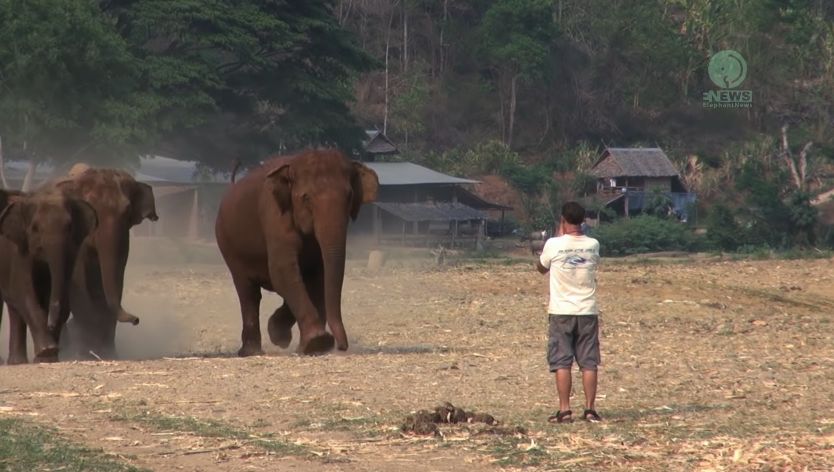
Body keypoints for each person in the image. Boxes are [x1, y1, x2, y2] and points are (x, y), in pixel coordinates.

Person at [536, 201, 602, 424]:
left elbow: (541, 268)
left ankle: (565, 410)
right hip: (587, 310)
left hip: (561, 311)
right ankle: (590, 409)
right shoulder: (593, 244)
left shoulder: (553, 244)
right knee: (589, 362)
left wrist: (557, 235)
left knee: (562, 362)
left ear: (563, 220)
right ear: (583, 220)